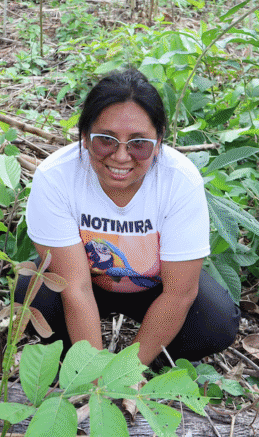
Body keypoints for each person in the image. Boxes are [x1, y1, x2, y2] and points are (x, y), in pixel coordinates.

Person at [17, 68, 240, 368]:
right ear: (84, 137)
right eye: (105, 140)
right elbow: (75, 288)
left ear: (159, 142)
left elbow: (178, 293)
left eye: (139, 143)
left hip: (155, 287)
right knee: (32, 291)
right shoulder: (56, 177)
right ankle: (73, 360)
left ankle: (154, 359)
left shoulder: (180, 181)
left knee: (216, 320)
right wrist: (94, 375)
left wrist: (126, 373)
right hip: (87, 283)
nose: (121, 156)